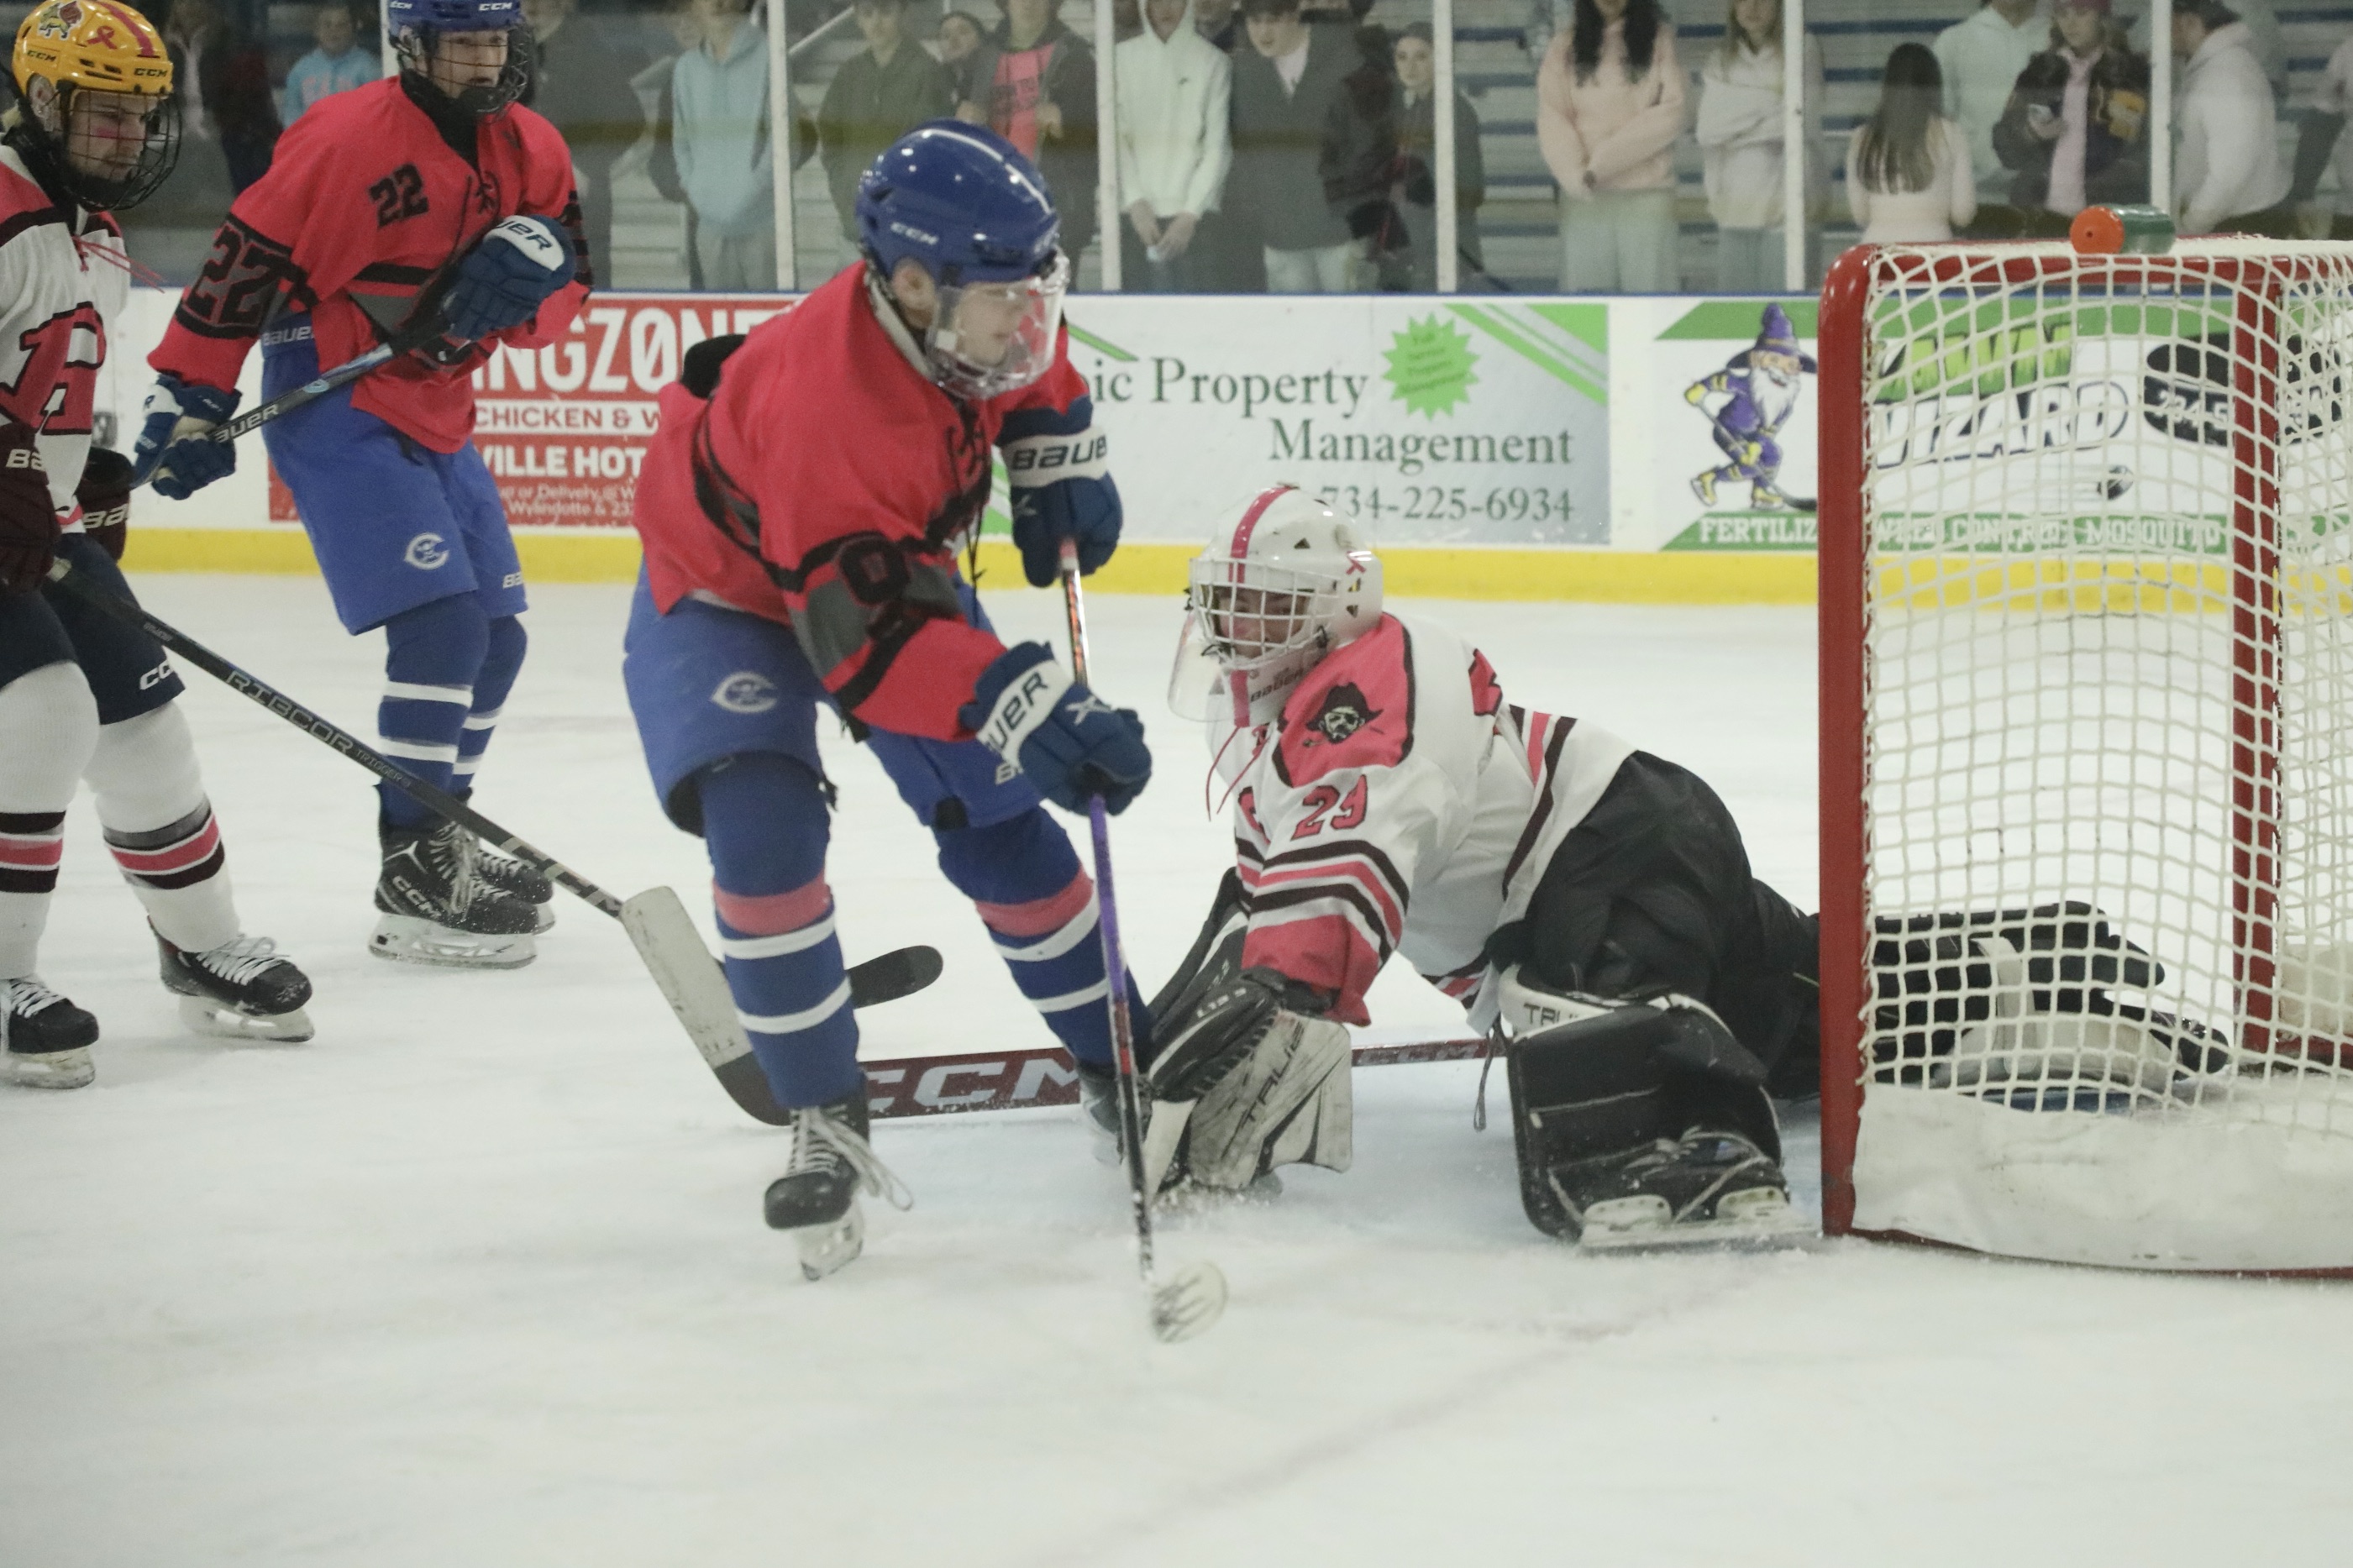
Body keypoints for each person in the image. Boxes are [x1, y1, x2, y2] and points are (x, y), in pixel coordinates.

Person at [621, 123, 1149, 1277]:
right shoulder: (827, 411)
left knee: (995, 815)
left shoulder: (966, 319)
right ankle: (823, 1111)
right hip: (727, 594)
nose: (1026, 318)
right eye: (1002, 297)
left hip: (881, 574)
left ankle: (1118, 1053)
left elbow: (1023, 353)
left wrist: (1051, 440)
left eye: (1036, 290)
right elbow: (870, 647)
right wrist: (1023, 700)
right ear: (912, 286)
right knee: (762, 832)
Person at [1148, 487, 1818, 1241]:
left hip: (1613, 840)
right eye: (1227, 603)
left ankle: (1703, 1149)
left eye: (1269, 606)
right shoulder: (1243, 719)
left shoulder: (1377, 678)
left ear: (1339, 607)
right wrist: (1179, 1036)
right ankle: (1902, 980)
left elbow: (1340, 863)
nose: (1239, 631)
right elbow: (1273, 883)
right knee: (1802, 1014)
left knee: (1587, 1036)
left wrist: (1280, 994)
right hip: (1573, 886)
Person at [136, 0, 591, 968]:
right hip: (333, 389)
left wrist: (542, 274)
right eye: (461, 44)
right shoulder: (343, 137)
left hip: (437, 401)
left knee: (499, 638)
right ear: (412, 46)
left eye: (495, 41)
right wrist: (192, 394)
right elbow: (247, 254)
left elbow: (570, 281)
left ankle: (441, 831)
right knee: (444, 627)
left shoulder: (536, 147)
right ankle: (413, 869)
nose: (482, 61)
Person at [1, 0, 314, 1089]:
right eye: (105, 111)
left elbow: (58, 391)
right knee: (44, 710)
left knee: (141, 722)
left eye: (142, 114)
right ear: (44, 101)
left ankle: (199, 943)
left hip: (31, 524)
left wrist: (88, 475)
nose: (130, 134)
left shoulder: (92, 233)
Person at [1536, 0, 1686, 294]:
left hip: (1646, 198)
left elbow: (1673, 111)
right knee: (1588, 304)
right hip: (1586, 198)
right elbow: (1553, 117)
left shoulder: (1660, 40)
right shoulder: (1564, 47)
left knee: (1650, 302)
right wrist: (1576, 176)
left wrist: (1600, 166)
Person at [1226, 0, 1372, 292]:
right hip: (1282, 235)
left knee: (1346, 318)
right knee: (1292, 320)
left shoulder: (1344, 59)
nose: (1263, 32)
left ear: (1294, 15)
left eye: (1272, 20)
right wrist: (1262, 215)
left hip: (1339, 232)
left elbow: (1368, 145)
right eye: (1254, 21)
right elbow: (1244, 151)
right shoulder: (1246, 71)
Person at [673, 0, 814, 290]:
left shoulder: (770, 57)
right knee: (719, 319)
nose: (717, 3)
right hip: (710, 228)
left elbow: (786, 138)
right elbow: (680, 142)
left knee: (771, 318)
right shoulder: (686, 69)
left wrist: (754, 185)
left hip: (762, 225)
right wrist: (695, 187)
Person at [1694, 0, 1823, 292]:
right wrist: (1772, 100)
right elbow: (1708, 129)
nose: (1752, 6)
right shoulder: (1720, 60)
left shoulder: (1802, 48)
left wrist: (1735, 122)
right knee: (1737, 316)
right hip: (1733, 211)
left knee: (1785, 313)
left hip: (1787, 216)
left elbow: (1800, 120)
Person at [957, 0, 1099, 263]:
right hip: (991, 203)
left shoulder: (1076, 55)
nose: (1029, 3)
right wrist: (959, 120)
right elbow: (956, 127)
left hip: (1057, 204)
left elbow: (1101, 135)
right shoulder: (981, 58)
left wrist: (1067, 121)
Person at [1989, 0, 2147, 233]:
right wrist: (2030, 133)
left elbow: (2147, 152)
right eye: (2062, 14)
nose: (2070, 23)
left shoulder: (2128, 73)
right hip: (2041, 215)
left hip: (2108, 214)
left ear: (2102, 17)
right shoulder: (2040, 72)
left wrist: (2108, 182)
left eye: (2081, 13)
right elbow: (2004, 146)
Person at [521, 0, 643, 294]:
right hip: (524, 198)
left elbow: (628, 118)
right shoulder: (512, 47)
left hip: (580, 202)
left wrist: (585, 166)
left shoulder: (589, 47)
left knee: (585, 288)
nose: (531, 6)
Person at [818, 0, 957, 249]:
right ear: (857, 19)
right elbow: (830, 137)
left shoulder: (927, 71)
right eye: (867, 13)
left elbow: (930, 149)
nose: (876, 22)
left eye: (886, 12)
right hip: (856, 222)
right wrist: (844, 187)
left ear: (904, 14)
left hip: (906, 225)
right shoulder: (849, 74)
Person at [1113, 0, 1230, 291]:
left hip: (1196, 220)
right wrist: (1135, 201)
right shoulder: (1119, 59)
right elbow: (1114, 138)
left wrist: (1190, 214)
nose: (1165, 8)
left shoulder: (1213, 61)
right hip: (1134, 217)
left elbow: (1217, 146)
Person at [2171, 0, 2290, 236]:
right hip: (2231, 220)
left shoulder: (2226, 77)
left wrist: (2193, 224)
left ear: (2189, 23)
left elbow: (2231, 171)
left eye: (2170, 23)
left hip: (2239, 226)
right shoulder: (2218, 66)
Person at [1383, 23, 1483, 291]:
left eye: (1421, 56)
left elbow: (1470, 190)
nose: (1410, 67)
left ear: (1440, 59)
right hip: (1418, 251)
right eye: (1402, 57)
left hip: (1446, 252)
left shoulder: (1455, 112)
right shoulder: (1411, 111)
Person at [1846, 44, 1974, 244]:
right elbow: (1963, 213)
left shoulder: (1862, 137)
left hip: (1877, 249)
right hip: (1933, 250)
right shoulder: (1951, 133)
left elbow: (1860, 215)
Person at [1930, 0, 2042, 215]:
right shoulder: (1953, 42)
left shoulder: (2061, 38)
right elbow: (1938, 127)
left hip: (2048, 204)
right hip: (1976, 202)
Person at [161, 0, 280, 193]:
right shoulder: (161, 46)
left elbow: (250, 104)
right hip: (175, 131)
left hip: (225, 132)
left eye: (196, 2)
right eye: (182, 2)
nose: (189, 7)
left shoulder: (235, 44)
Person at [638, 0, 704, 286]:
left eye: (691, 17)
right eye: (676, 22)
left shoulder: (752, 71)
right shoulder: (675, 82)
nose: (684, 27)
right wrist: (688, 189)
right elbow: (660, 159)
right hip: (702, 219)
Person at [285, 4, 378, 122]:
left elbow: (376, 113)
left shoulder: (369, 67)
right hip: (313, 133)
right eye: (327, 25)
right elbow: (291, 116)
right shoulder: (301, 70)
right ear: (316, 30)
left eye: (341, 25)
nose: (333, 32)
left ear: (353, 30)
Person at [935, 8, 985, 102]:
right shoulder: (933, 81)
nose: (953, 39)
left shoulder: (994, 77)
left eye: (963, 32)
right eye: (946, 36)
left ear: (981, 40)